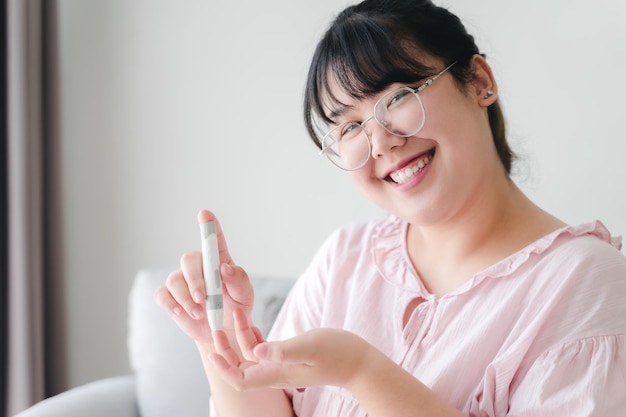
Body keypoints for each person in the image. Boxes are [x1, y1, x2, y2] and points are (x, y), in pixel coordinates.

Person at [154, 0, 626, 415]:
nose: (380, 142)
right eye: (350, 127)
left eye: (399, 96)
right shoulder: (346, 258)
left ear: (480, 81)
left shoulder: (587, 284)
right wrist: (216, 339)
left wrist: (361, 371)